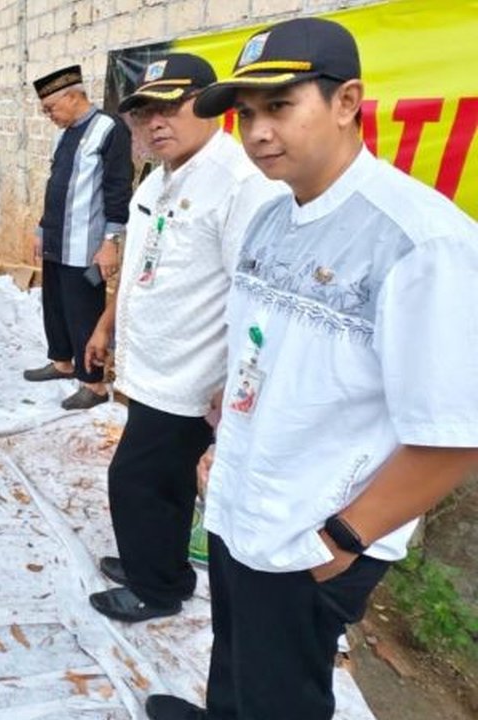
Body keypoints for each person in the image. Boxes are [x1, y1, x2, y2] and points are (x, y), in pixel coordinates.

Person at [145, 17, 478, 720]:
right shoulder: (272, 218)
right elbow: (261, 352)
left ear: (348, 102)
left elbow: (455, 433)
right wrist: (221, 441)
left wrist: (345, 538)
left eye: (280, 106)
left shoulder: (421, 242)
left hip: (312, 532)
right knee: (234, 649)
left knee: (282, 694)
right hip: (245, 501)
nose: (259, 131)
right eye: (247, 114)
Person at [81, 54, 285, 624]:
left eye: (172, 106)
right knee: (163, 482)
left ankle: (157, 589)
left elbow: (256, 299)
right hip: (152, 367)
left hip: (195, 377)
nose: (156, 123)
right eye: (145, 112)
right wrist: (106, 325)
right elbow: (146, 264)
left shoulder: (240, 184)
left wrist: (234, 380)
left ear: (209, 104)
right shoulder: (163, 175)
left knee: (135, 481)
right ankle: (160, 563)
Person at [23, 64, 133, 410]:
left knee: (84, 311)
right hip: (56, 238)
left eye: (50, 108)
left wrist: (110, 242)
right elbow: (56, 186)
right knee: (53, 304)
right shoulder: (64, 133)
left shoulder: (109, 129)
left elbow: (118, 189)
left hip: (86, 244)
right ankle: (62, 362)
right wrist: (42, 229)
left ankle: (94, 385)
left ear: (72, 96)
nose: (49, 116)